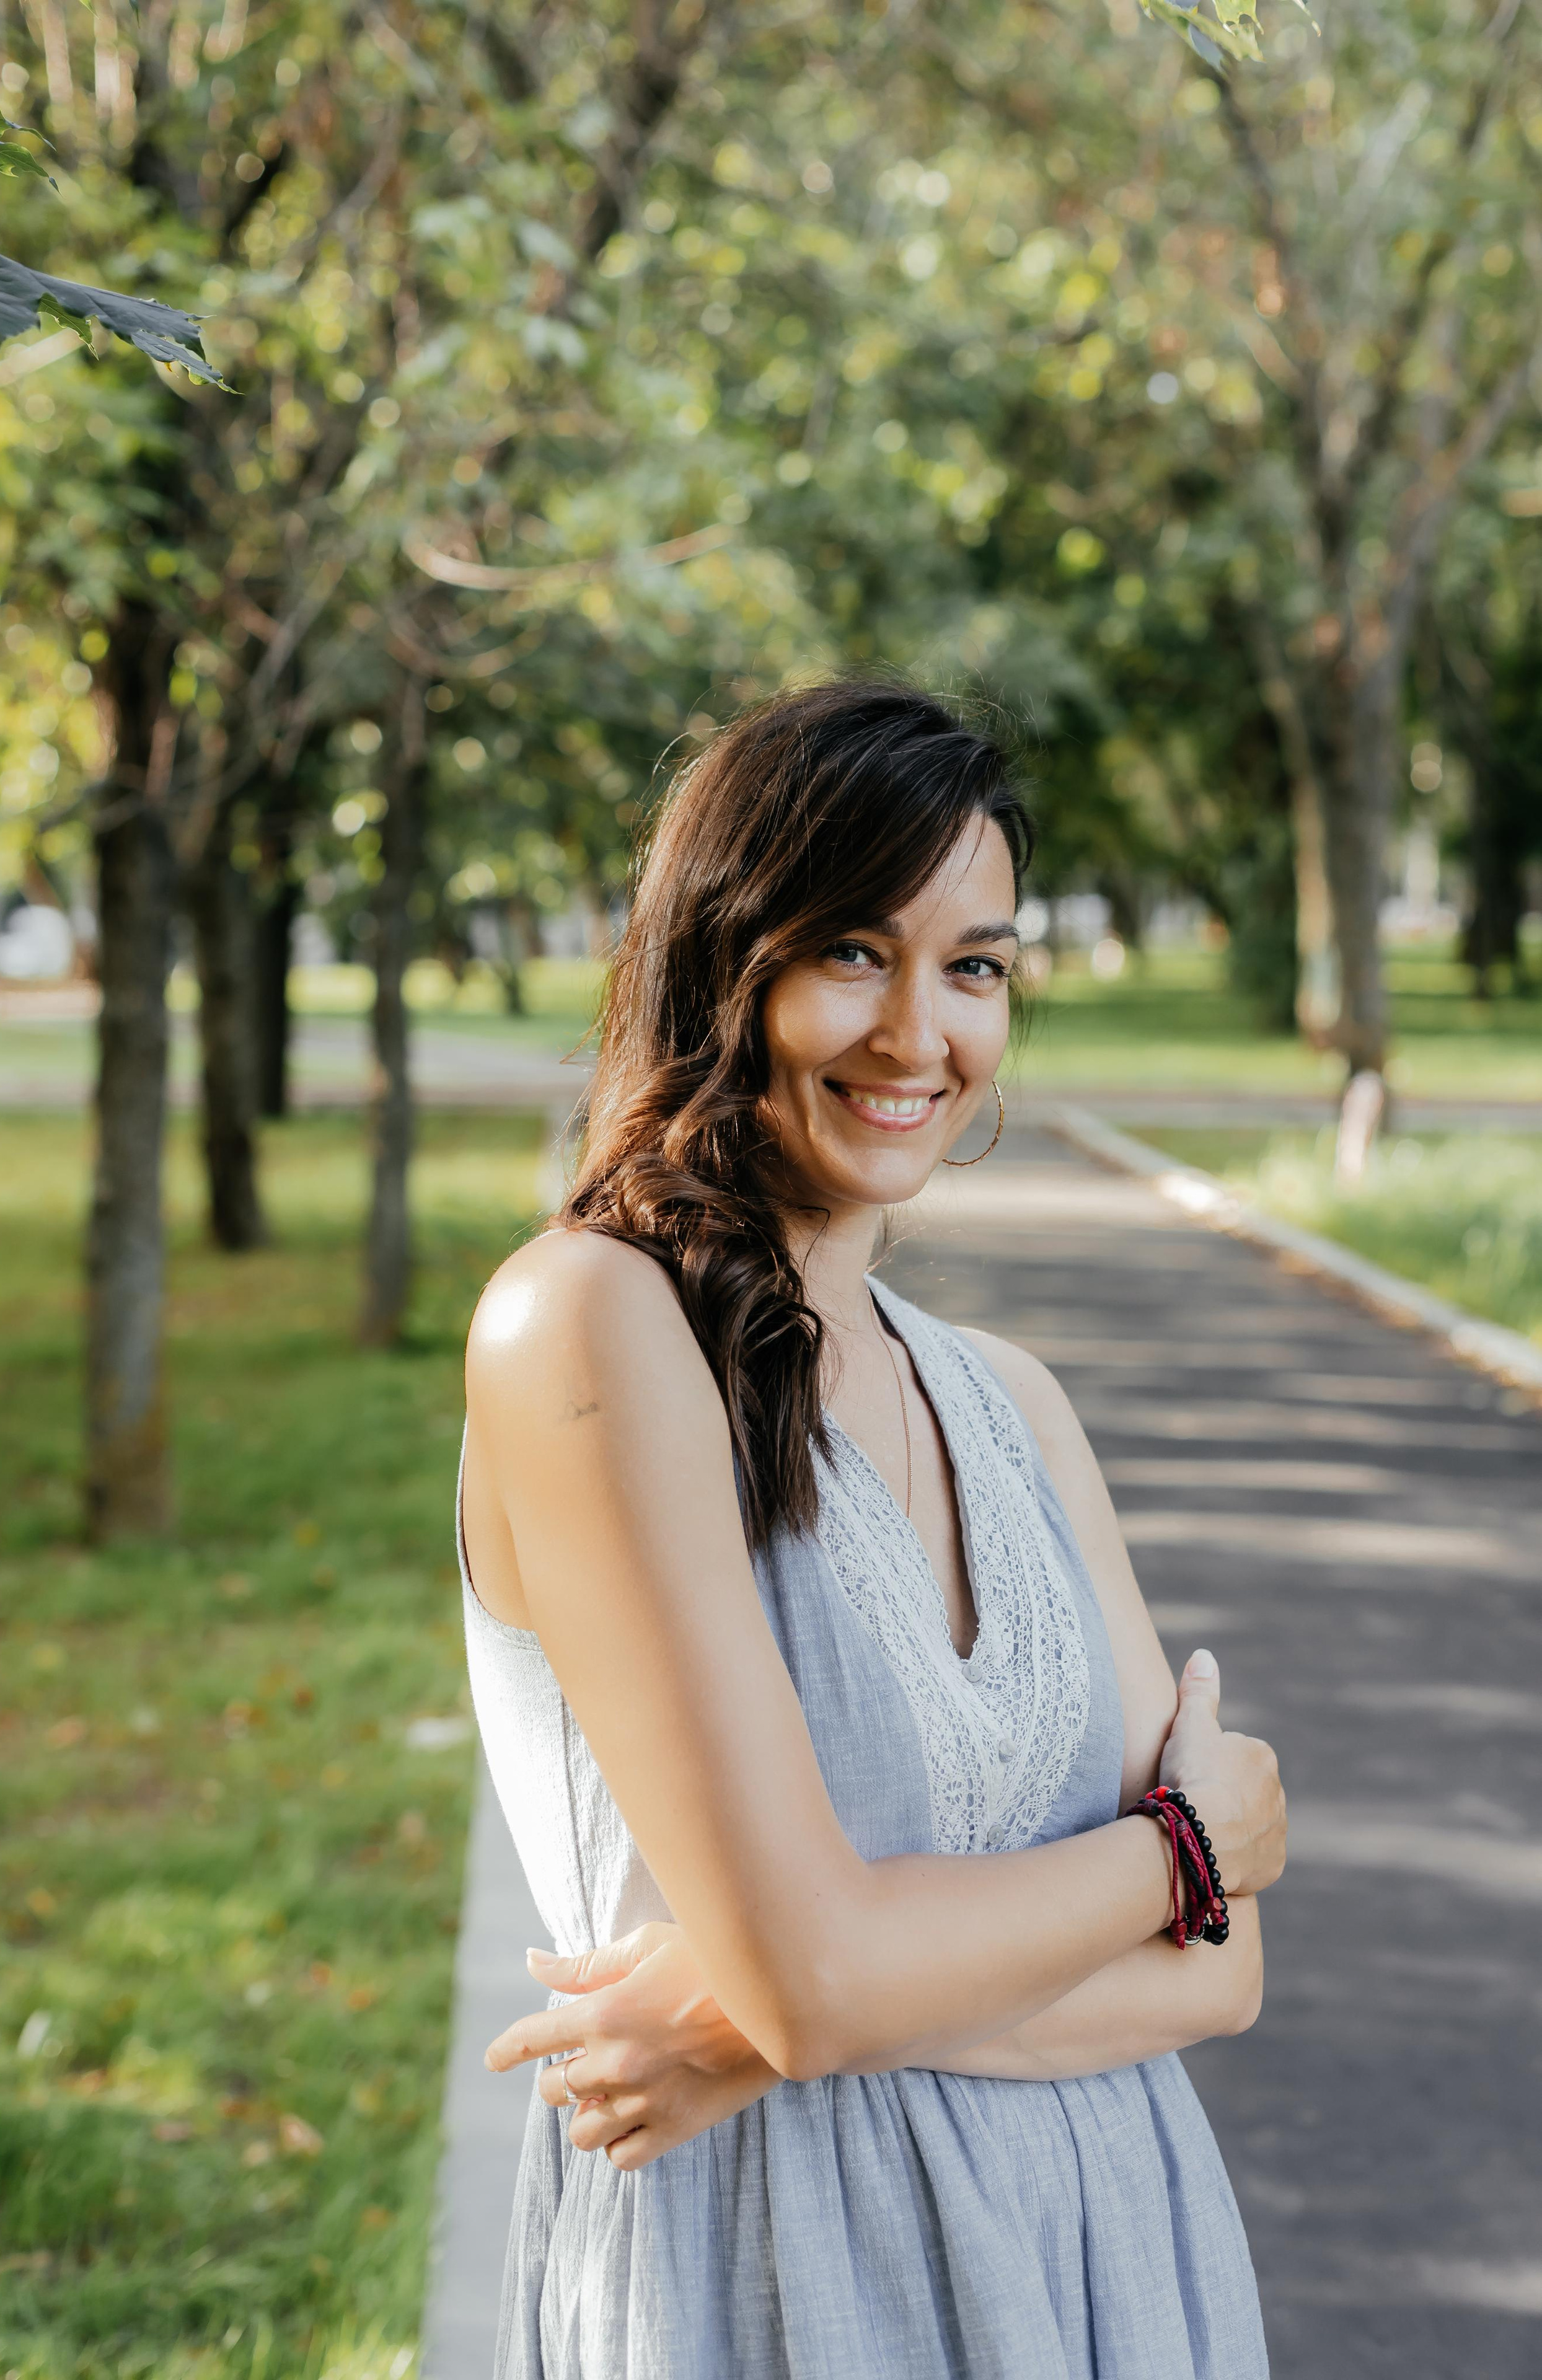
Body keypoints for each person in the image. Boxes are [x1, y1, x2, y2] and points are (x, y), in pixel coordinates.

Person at [460, 679, 1286, 2379]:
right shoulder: (589, 1325)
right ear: (723, 960)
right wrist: (1189, 1847)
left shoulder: (1014, 1405)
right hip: (781, 2285)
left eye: (974, 967)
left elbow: (1218, 1982)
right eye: (853, 951)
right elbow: (826, 1981)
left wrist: (753, 2024)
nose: (921, 1035)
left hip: (1109, 2270)